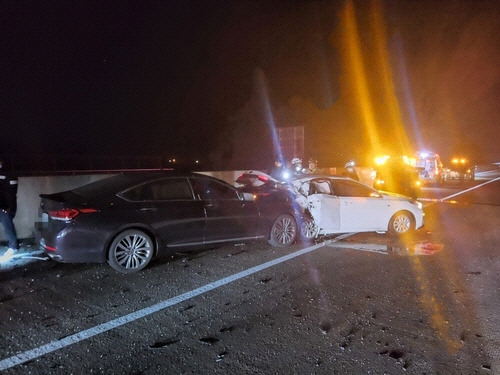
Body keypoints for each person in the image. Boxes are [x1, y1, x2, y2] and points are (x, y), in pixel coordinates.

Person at [0, 159, 20, 256]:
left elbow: (12, 192)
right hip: (2, 205)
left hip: (6, 207)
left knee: (8, 226)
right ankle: (12, 245)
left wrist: (8, 206)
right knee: (7, 225)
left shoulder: (9, 173)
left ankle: (14, 247)